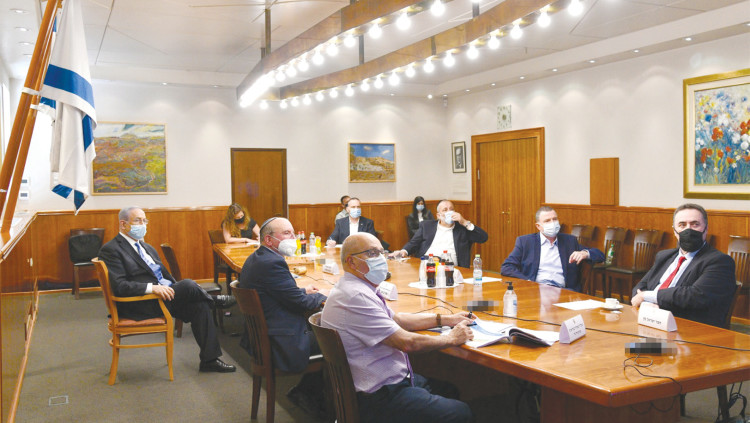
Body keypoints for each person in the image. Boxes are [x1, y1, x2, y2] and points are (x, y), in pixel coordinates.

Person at [322, 232, 475, 423]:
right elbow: (407, 343)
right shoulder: (356, 296)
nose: (380, 258)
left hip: (379, 382)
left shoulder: (354, 287)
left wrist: (446, 319)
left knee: (449, 390)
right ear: (351, 262)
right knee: (461, 412)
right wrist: (451, 338)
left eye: (381, 252)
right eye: (372, 253)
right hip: (378, 396)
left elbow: (398, 319)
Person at [99, 206, 236, 373]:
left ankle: (210, 361)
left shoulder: (147, 247)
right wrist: (152, 288)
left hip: (166, 297)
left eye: (145, 220)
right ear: (123, 224)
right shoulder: (111, 249)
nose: (143, 224)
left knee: (200, 305)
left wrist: (173, 289)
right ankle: (214, 300)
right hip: (142, 303)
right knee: (188, 284)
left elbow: (165, 276)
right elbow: (119, 286)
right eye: (138, 221)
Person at [238, 217, 329, 417]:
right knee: (335, 340)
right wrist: (324, 296)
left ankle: (308, 391)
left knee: (325, 329)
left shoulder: (259, 257)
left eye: (293, 233)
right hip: (280, 340)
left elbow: (280, 293)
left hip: (266, 334)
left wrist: (303, 291)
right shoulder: (273, 263)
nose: (293, 238)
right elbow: (300, 304)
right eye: (287, 233)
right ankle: (316, 395)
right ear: (269, 240)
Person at [631, 203, 736, 327]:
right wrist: (648, 305)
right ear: (674, 231)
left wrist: (647, 296)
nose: (688, 230)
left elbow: (694, 296)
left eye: (695, 224)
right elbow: (640, 288)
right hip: (651, 320)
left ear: (706, 229)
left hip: (690, 329)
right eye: (682, 225)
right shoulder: (664, 256)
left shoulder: (720, 261)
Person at [501, 206, 604, 292]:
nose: (552, 223)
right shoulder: (525, 242)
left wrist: (585, 253)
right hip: (536, 290)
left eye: (554, 219)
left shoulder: (569, 241)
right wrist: (527, 281)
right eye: (547, 221)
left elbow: (600, 255)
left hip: (563, 292)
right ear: (538, 226)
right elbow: (507, 267)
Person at [390, 199, 488, 268]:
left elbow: (483, 238)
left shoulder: (462, 228)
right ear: (438, 215)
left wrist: (465, 222)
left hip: (451, 268)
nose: (449, 212)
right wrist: (404, 251)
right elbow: (413, 243)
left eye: (451, 209)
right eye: (445, 210)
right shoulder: (427, 226)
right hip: (427, 265)